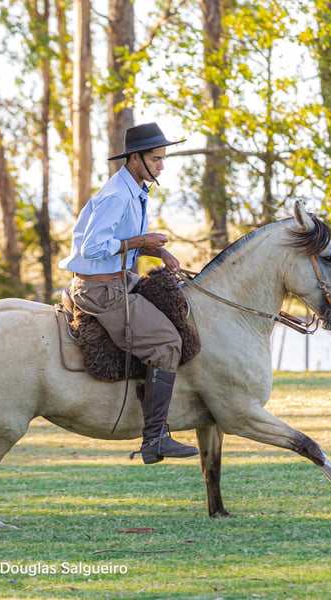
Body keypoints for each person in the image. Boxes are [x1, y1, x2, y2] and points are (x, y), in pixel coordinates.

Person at [59, 122, 199, 464]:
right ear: (135, 158)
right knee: (168, 344)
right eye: (156, 158)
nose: (162, 165)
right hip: (100, 291)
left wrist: (158, 253)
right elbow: (92, 249)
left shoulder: (134, 189)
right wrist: (141, 242)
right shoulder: (117, 195)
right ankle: (154, 440)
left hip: (118, 280)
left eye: (163, 158)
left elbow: (120, 244)